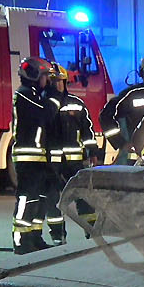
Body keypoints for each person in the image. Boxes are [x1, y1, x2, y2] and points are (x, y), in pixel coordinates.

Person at [11, 56, 61, 254]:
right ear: (34, 76)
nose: (47, 81)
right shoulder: (24, 95)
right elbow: (47, 113)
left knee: (39, 198)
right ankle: (21, 241)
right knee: (27, 199)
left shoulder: (33, 95)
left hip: (38, 158)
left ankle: (34, 237)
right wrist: (54, 95)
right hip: (27, 158)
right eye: (45, 77)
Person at [48, 63, 99, 239]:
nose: (56, 86)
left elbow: (88, 130)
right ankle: (57, 236)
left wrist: (93, 152)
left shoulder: (76, 104)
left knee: (84, 197)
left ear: (65, 82)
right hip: (52, 163)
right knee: (54, 200)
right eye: (52, 82)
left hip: (75, 162)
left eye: (59, 82)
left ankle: (92, 232)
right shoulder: (42, 105)